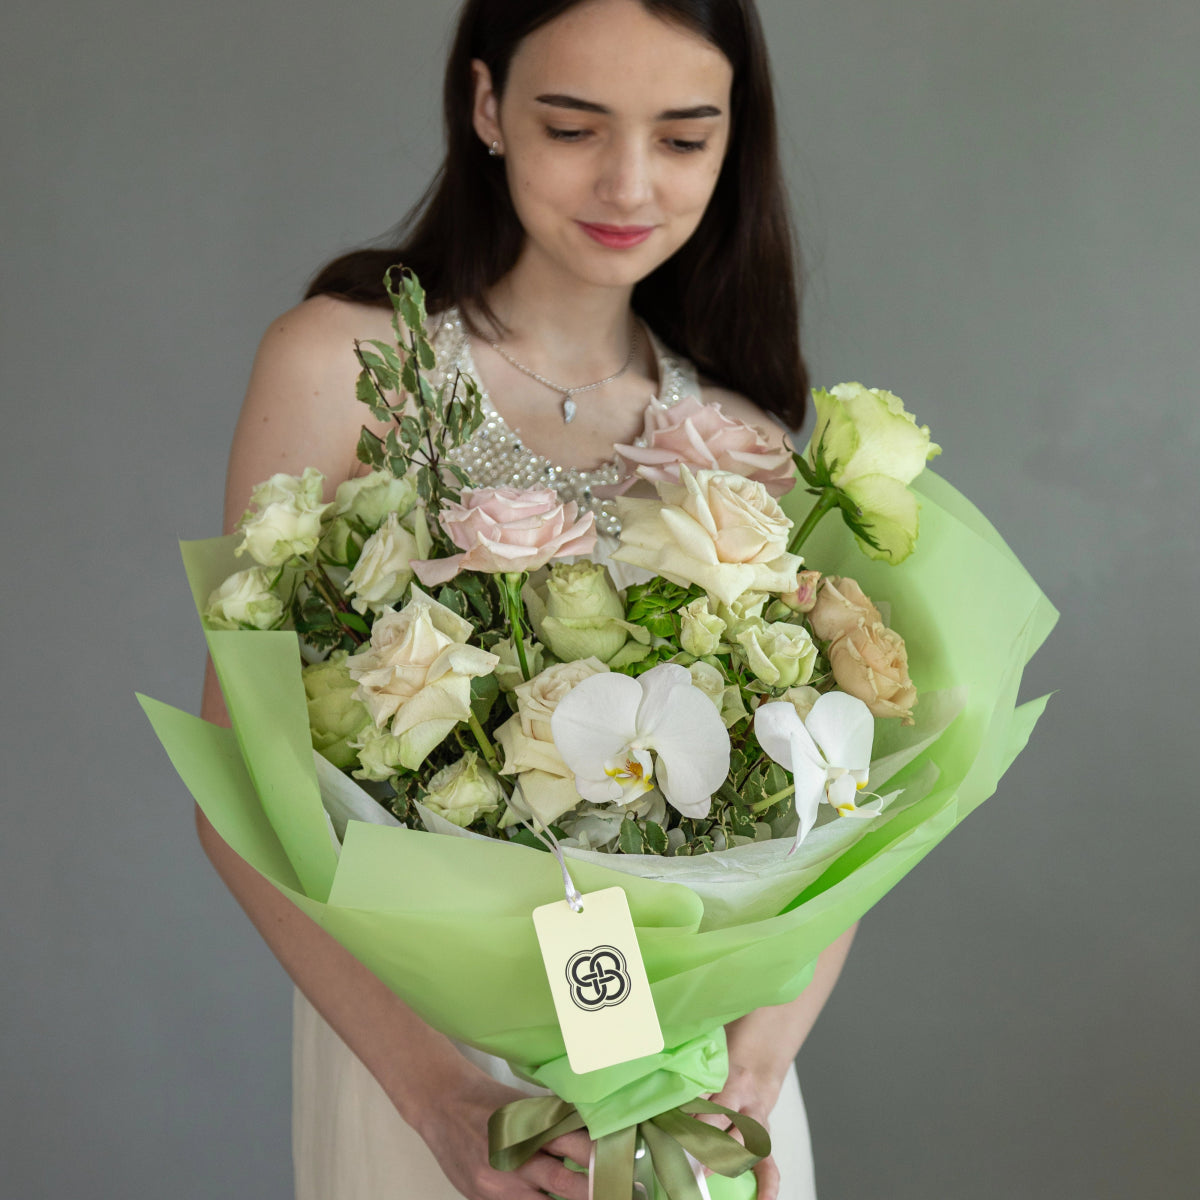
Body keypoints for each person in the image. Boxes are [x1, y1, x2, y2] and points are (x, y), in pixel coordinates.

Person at [198, 2, 857, 1196]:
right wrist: (445, 1101)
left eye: (683, 137)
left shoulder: (746, 448)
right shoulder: (344, 371)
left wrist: (756, 1068)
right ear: (489, 106)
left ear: (732, 142)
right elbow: (239, 793)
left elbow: (837, 811)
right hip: (450, 1078)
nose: (628, 181)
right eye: (573, 126)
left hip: (702, 1083)